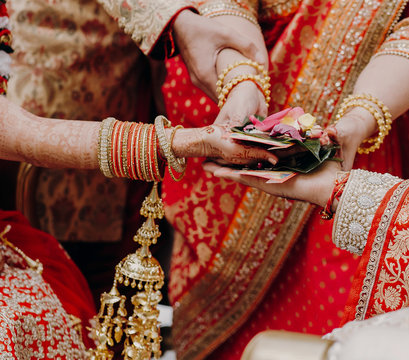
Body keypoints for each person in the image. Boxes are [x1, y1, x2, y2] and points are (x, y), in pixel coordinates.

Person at [160, 0, 409, 358]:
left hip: (355, 150)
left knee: (327, 323)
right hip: (227, 98)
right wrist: (240, 77)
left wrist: (362, 115)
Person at [6, 0, 266, 302]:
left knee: (109, 291)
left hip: (121, 97)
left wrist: (231, 67)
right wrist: (178, 22)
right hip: (43, 93)